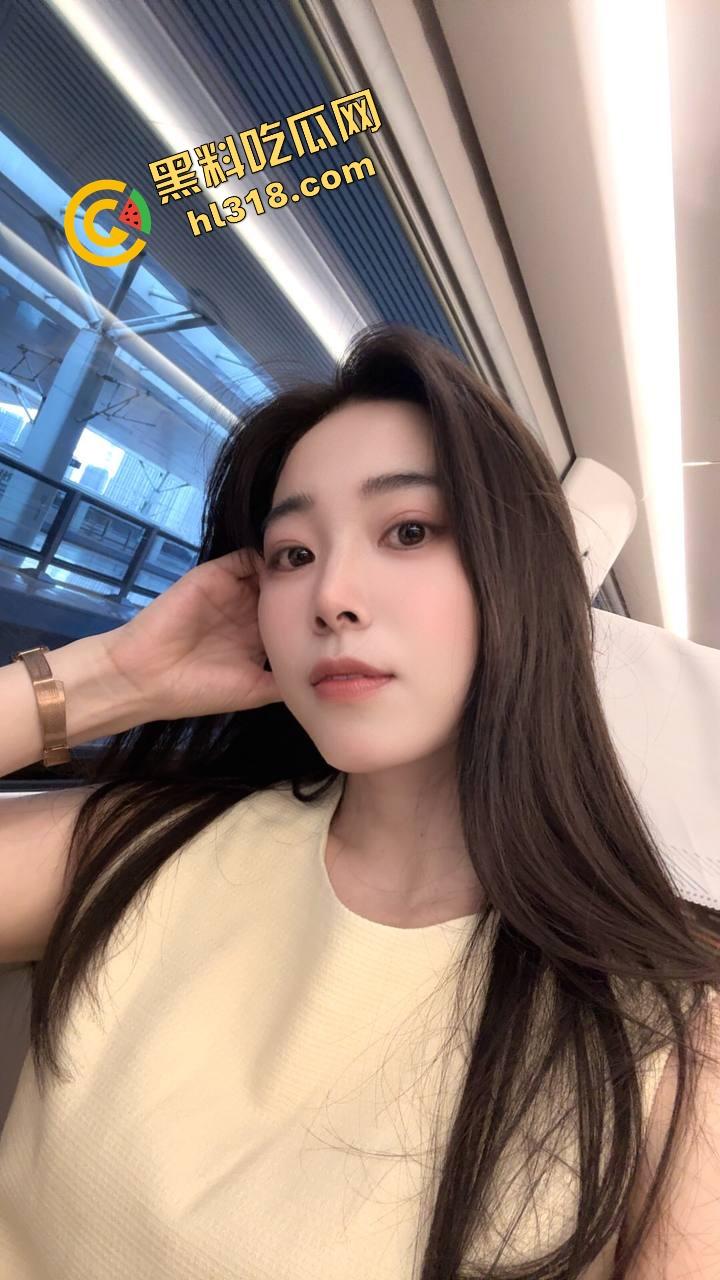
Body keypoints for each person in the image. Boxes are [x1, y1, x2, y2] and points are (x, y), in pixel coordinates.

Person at [0, 322, 718, 1279]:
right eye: (292, 554)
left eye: (409, 531)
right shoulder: (150, 845)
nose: (331, 594)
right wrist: (108, 681)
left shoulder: (674, 1039)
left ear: (522, 581)